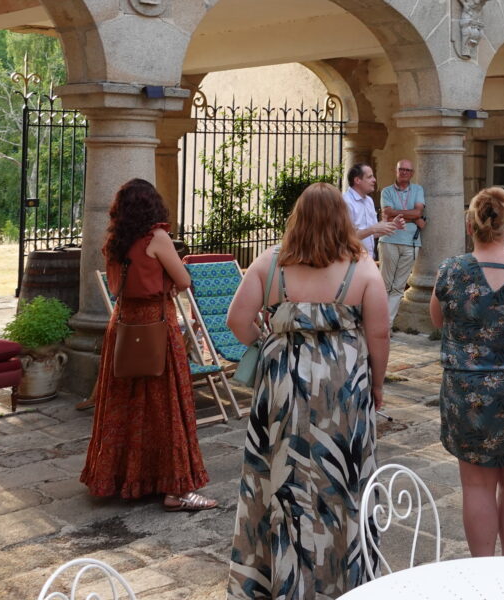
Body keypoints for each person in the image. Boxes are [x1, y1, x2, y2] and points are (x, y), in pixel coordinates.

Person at [227, 182, 389, 600]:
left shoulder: (270, 265)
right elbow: (380, 335)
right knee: (342, 483)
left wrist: (265, 342)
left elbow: (237, 321)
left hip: (282, 388)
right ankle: (345, 581)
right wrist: (376, 384)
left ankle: (282, 582)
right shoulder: (363, 269)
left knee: (280, 481)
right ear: (343, 220)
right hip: (343, 389)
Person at [80, 178, 215, 512]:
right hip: (157, 324)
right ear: (153, 206)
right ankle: (176, 490)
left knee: (125, 405)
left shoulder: (113, 240)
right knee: (166, 405)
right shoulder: (157, 237)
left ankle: (119, 479)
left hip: (123, 325)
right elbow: (184, 281)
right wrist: (170, 278)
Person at [430, 188, 504, 557]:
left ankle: (483, 567)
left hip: (468, 390)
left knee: (477, 486)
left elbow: (437, 320)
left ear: (471, 224)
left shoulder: (452, 270)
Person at [379, 158, 426, 329]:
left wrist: (398, 214)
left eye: (407, 170)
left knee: (398, 288)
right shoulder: (386, 191)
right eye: (401, 169)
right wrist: (413, 216)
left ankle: (387, 325)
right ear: (396, 171)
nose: (404, 172)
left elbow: (418, 211)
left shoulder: (418, 189)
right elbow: (387, 212)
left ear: (412, 173)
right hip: (389, 240)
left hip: (411, 243)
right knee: (385, 285)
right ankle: (377, 322)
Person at [344, 163, 401, 257]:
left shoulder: (369, 201)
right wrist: (373, 229)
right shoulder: (345, 202)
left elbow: (372, 234)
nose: (374, 180)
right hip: (351, 260)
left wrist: (392, 226)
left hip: (368, 259)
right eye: (369, 177)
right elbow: (347, 237)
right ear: (357, 180)